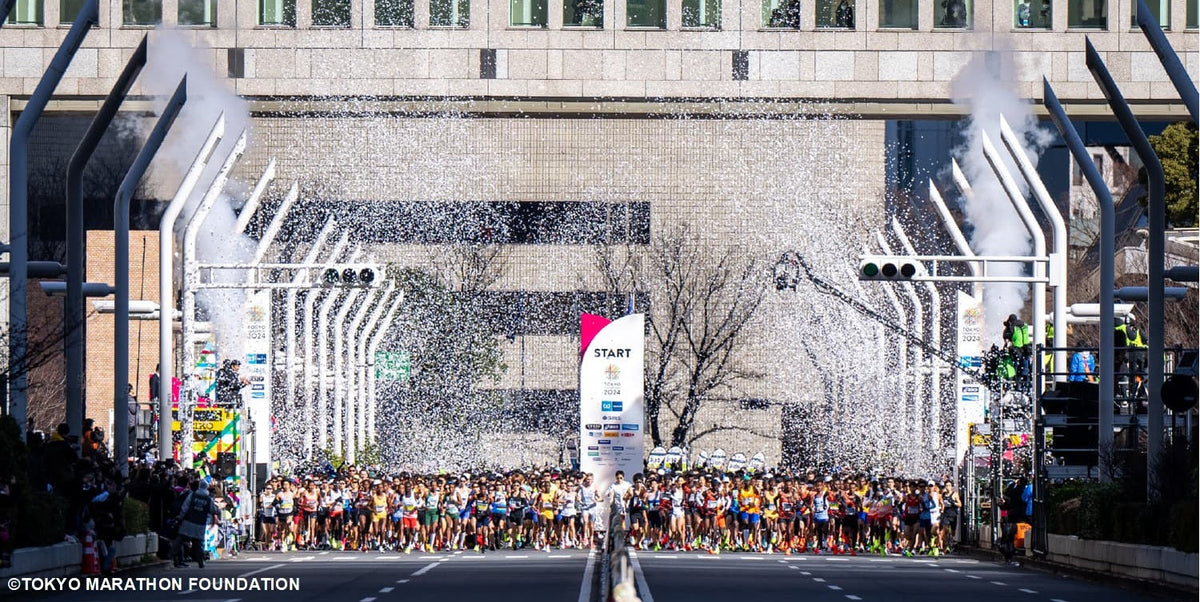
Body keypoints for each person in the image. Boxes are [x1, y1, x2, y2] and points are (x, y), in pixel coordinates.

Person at [174, 480, 218, 568]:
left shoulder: (192, 495)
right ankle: (200, 561)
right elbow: (213, 510)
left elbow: (185, 507)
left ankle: (174, 557)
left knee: (181, 540)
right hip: (200, 524)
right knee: (198, 543)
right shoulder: (208, 499)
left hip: (189, 521)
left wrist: (180, 517)